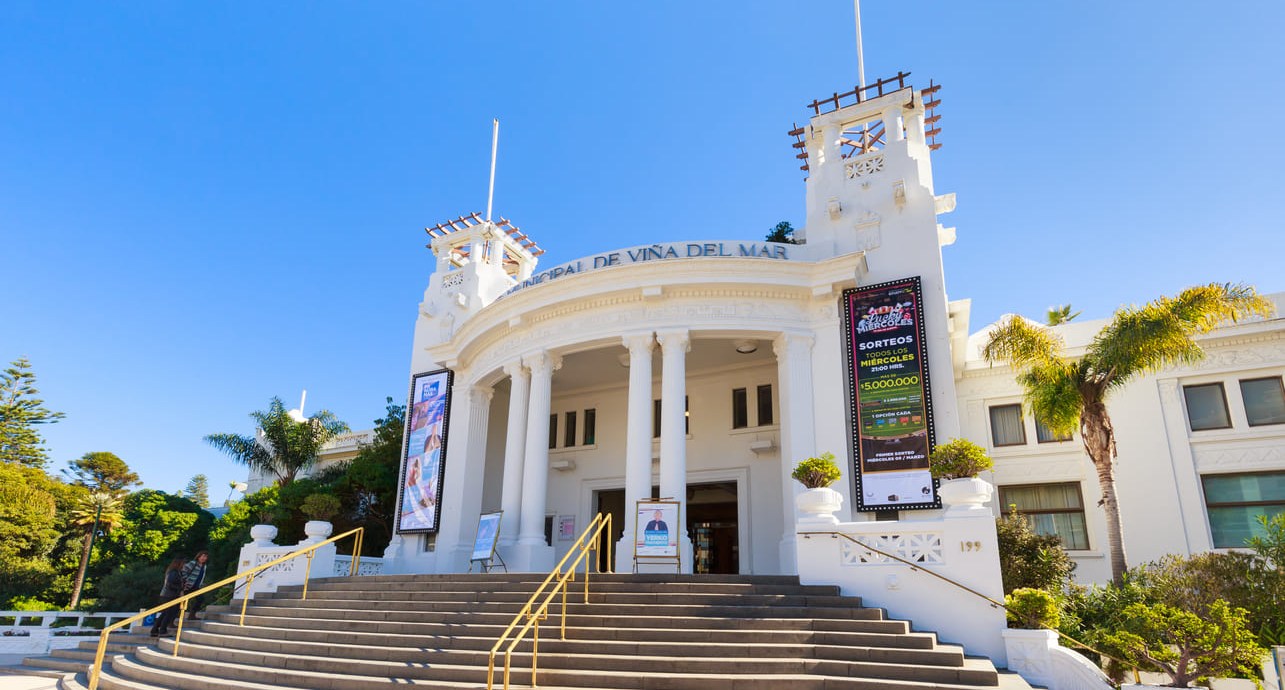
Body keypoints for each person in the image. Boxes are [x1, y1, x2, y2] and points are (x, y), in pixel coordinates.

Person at [149, 557, 186, 637]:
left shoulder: (174, 572)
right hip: (169, 595)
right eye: (183, 563)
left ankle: (155, 630)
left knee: (165, 613)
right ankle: (162, 631)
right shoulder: (174, 572)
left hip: (167, 595)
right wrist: (179, 588)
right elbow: (170, 584)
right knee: (168, 614)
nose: (184, 565)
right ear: (179, 564)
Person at [178, 551, 209, 619]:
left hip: (196, 587)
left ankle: (192, 614)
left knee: (200, 599)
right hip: (188, 586)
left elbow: (200, 576)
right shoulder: (193, 563)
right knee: (181, 602)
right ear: (198, 556)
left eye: (205, 557)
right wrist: (186, 580)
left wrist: (201, 584)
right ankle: (173, 619)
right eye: (202, 556)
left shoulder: (204, 566)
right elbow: (183, 571)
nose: (204, 558)